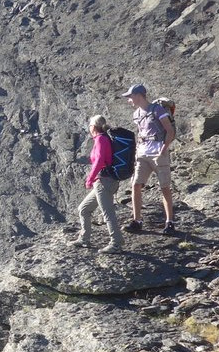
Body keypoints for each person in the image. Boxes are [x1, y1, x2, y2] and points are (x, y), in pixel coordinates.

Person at [120, 84, 176, 235]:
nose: (129, 100)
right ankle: (137, 220)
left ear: (139, 95)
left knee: (164, 187)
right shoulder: (136, 114)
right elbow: (140, 134)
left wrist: (163, 151)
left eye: (130, 97)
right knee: (136, 184)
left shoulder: (157, 109)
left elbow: (170, 131)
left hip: (158, 152)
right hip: (143, 153)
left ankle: (169, 222)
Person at [71, 114, 123, 254]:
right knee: (84, 208)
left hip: (104, 182)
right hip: (105, 181)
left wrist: (90, 179)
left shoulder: (100, 139)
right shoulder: (104, 138)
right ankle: (84, 238)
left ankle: (116, 243)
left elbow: (99, 161)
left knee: (108, 214)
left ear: (93, 127)